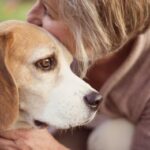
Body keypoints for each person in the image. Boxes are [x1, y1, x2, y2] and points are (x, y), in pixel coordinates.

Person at [0, 0, 150, 149]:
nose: (31, 16)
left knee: (113, 136)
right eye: (46, 63)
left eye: (48, 12)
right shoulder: (58, 42)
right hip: (70, 134)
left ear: (90, 26)